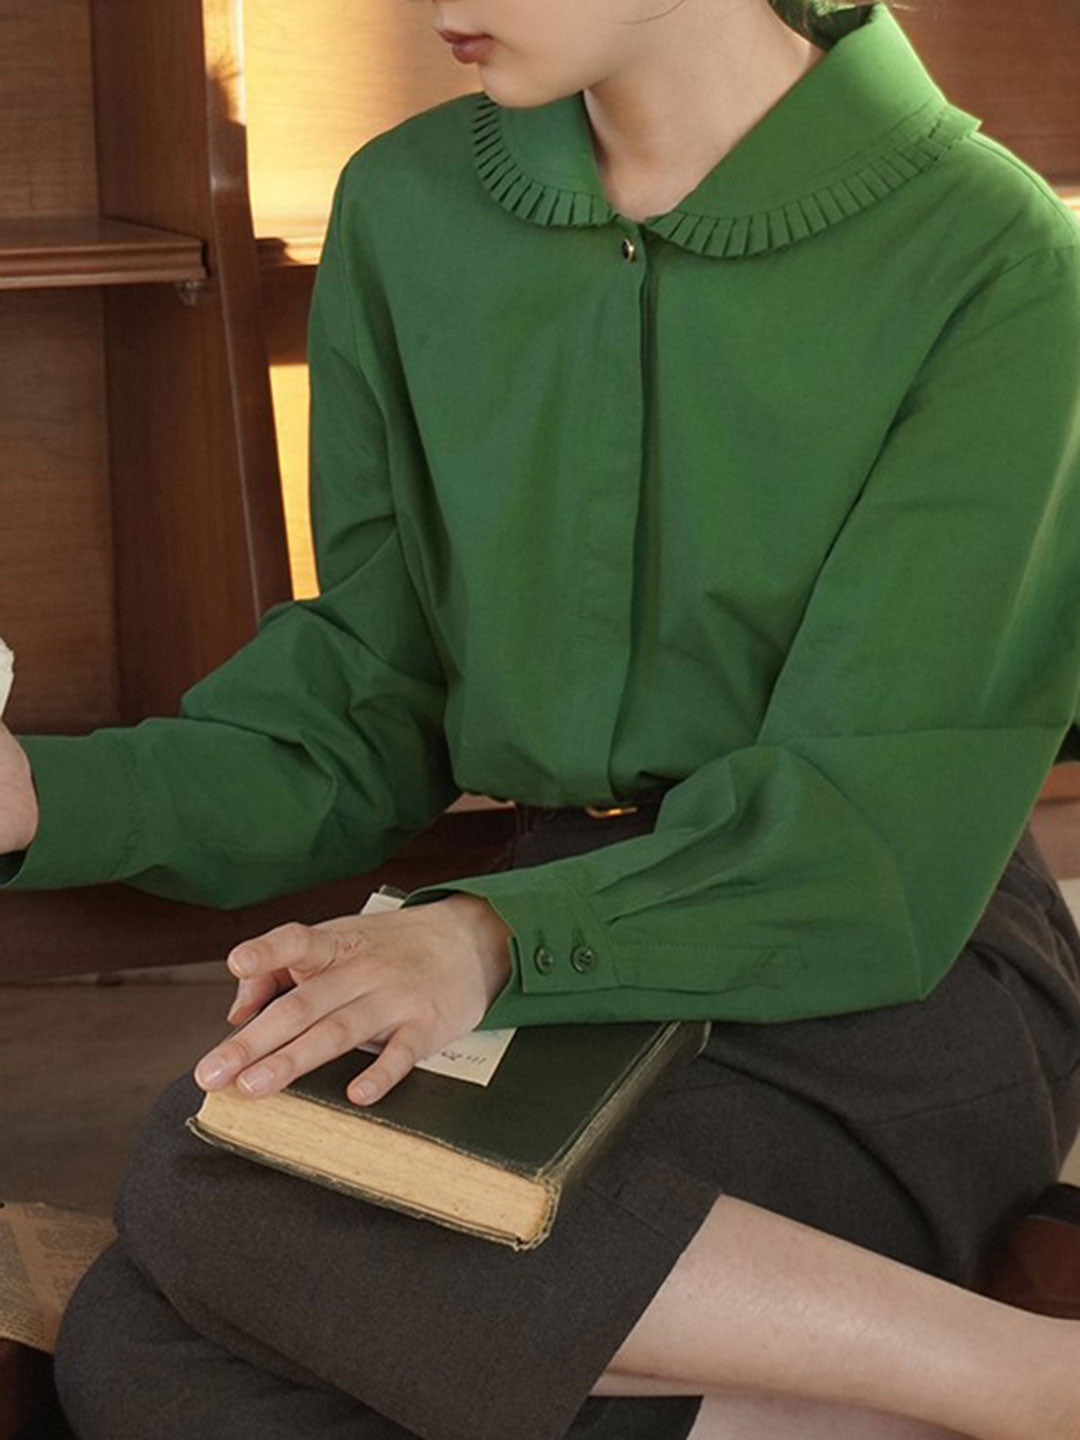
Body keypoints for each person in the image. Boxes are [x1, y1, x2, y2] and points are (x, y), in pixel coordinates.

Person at [4, 0, 1080, 1434]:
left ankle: (1039, 1391)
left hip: (883, 976)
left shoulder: (999, 258)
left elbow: (869, 832)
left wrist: (483, 939)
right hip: (544, 967)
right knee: (144, 1358)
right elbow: (369, 699)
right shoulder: (408, 206)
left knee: (228, 1202)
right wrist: (32, 795)